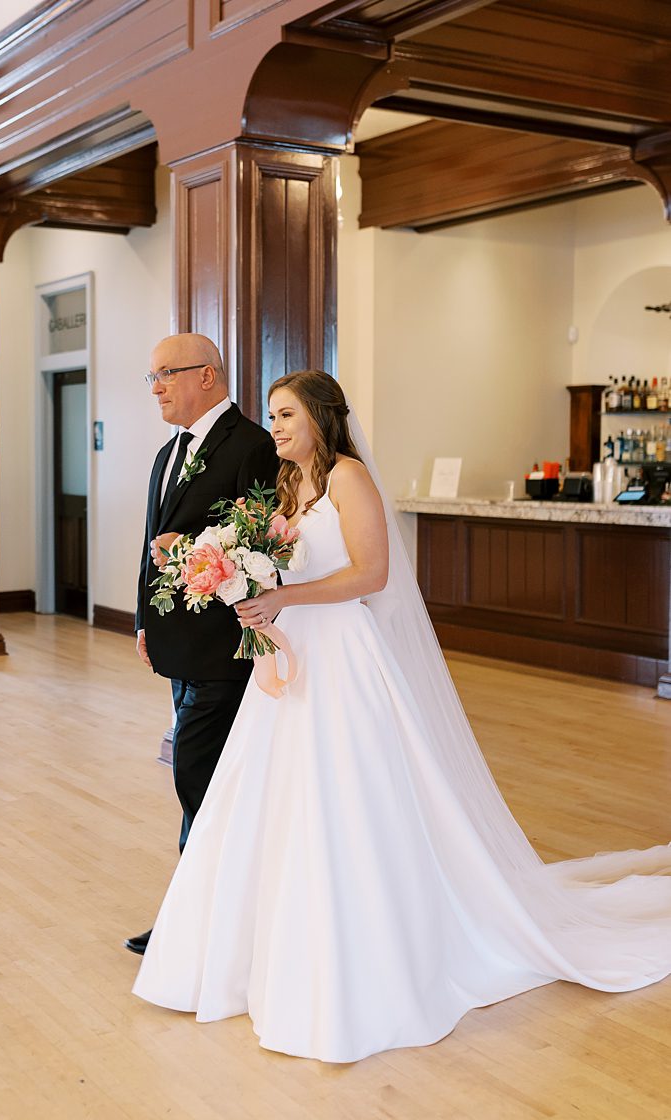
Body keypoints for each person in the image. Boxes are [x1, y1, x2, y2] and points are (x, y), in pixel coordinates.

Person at [133, 369, 671, 1062]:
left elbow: (371, 575)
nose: (277, 427)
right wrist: (218, 563)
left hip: (341, 654)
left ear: (322, 418)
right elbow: (272, 561)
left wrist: (283, 601)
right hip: (293, 659)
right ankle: (262, 952)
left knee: (349, 797)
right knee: (275, 798)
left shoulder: (349, 477)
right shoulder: (290, 487)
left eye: (288, 414)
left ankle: (372, 953)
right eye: (272, 415)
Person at [125, 334, 280, 956]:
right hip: (176, 641)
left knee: (199, 775)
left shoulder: (252, 445)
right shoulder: (168, 453)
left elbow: (262, 548)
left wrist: (192, 559)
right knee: (199, 775)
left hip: (225, 646)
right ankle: (204, 913)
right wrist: (143, 619)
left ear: (208, 376)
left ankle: (198, 921)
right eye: (152, 376)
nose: (157, 387)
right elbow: (152, 542)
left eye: (166, 374)